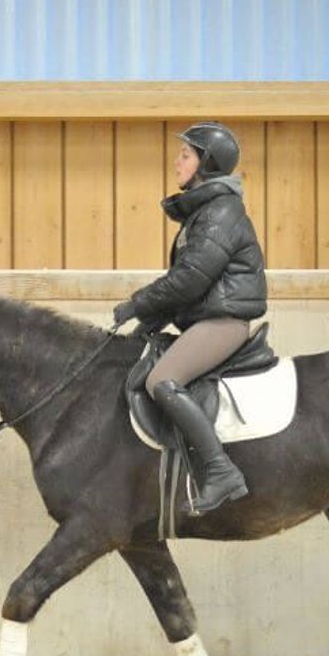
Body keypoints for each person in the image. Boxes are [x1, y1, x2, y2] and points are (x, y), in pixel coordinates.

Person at [112, 122, 267, 515]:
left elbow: (190, 279)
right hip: (207, 319)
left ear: (206, 163)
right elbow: (190, 286)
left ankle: (221, 472)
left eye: (185, 154)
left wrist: (139, 303)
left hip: (225, 322)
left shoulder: (220, 212)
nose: (176, 161)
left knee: (162, 380)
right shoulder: (204, 213)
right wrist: (145, 322)